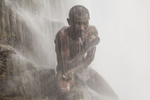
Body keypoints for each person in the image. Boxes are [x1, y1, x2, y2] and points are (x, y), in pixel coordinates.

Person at [54, 5, 118, 100]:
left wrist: (75, 69)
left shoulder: (92, 31)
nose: (82, 28)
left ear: (89, 20)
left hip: (82, 69)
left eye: (85, 23)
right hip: (65, 70)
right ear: (69, 22)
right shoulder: (63, 35)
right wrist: (86, 48)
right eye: (77, 23)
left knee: (112, 96)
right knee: (64, 90)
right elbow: (65, 64)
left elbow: (90, 58)